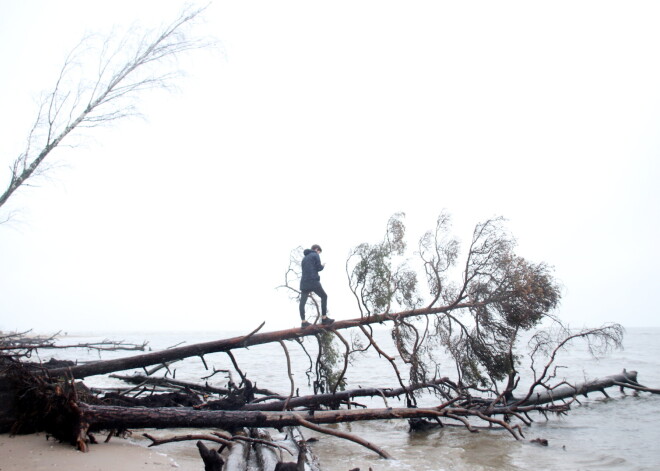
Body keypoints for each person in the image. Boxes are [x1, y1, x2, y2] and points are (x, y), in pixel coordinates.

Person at [299, 244, 334, 328]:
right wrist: (323, 266)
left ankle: (303, 322)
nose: (319, 253)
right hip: (313, 281)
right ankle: (324, 318)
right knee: (324, 296)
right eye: (319, 252)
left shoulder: (304, 258)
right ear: (317, 249)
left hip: (304, 283)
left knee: (302, 302)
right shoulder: (315, 255)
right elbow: (318, 268)